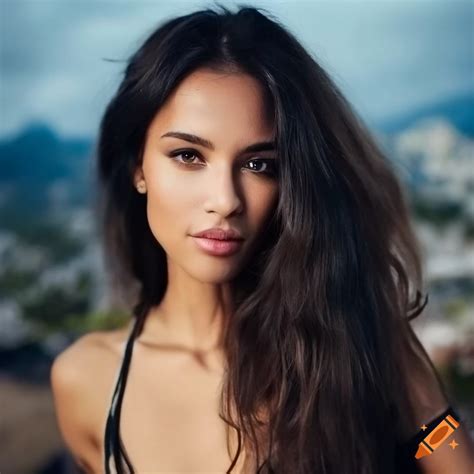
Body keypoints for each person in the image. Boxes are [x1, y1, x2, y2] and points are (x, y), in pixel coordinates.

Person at [50, 4, 474, 474]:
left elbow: (442, 446)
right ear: (138, 167)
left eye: (259, 165)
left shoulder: (347, 340)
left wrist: (431, 416)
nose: (226, 199)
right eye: (188, 155)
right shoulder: (85, 380)